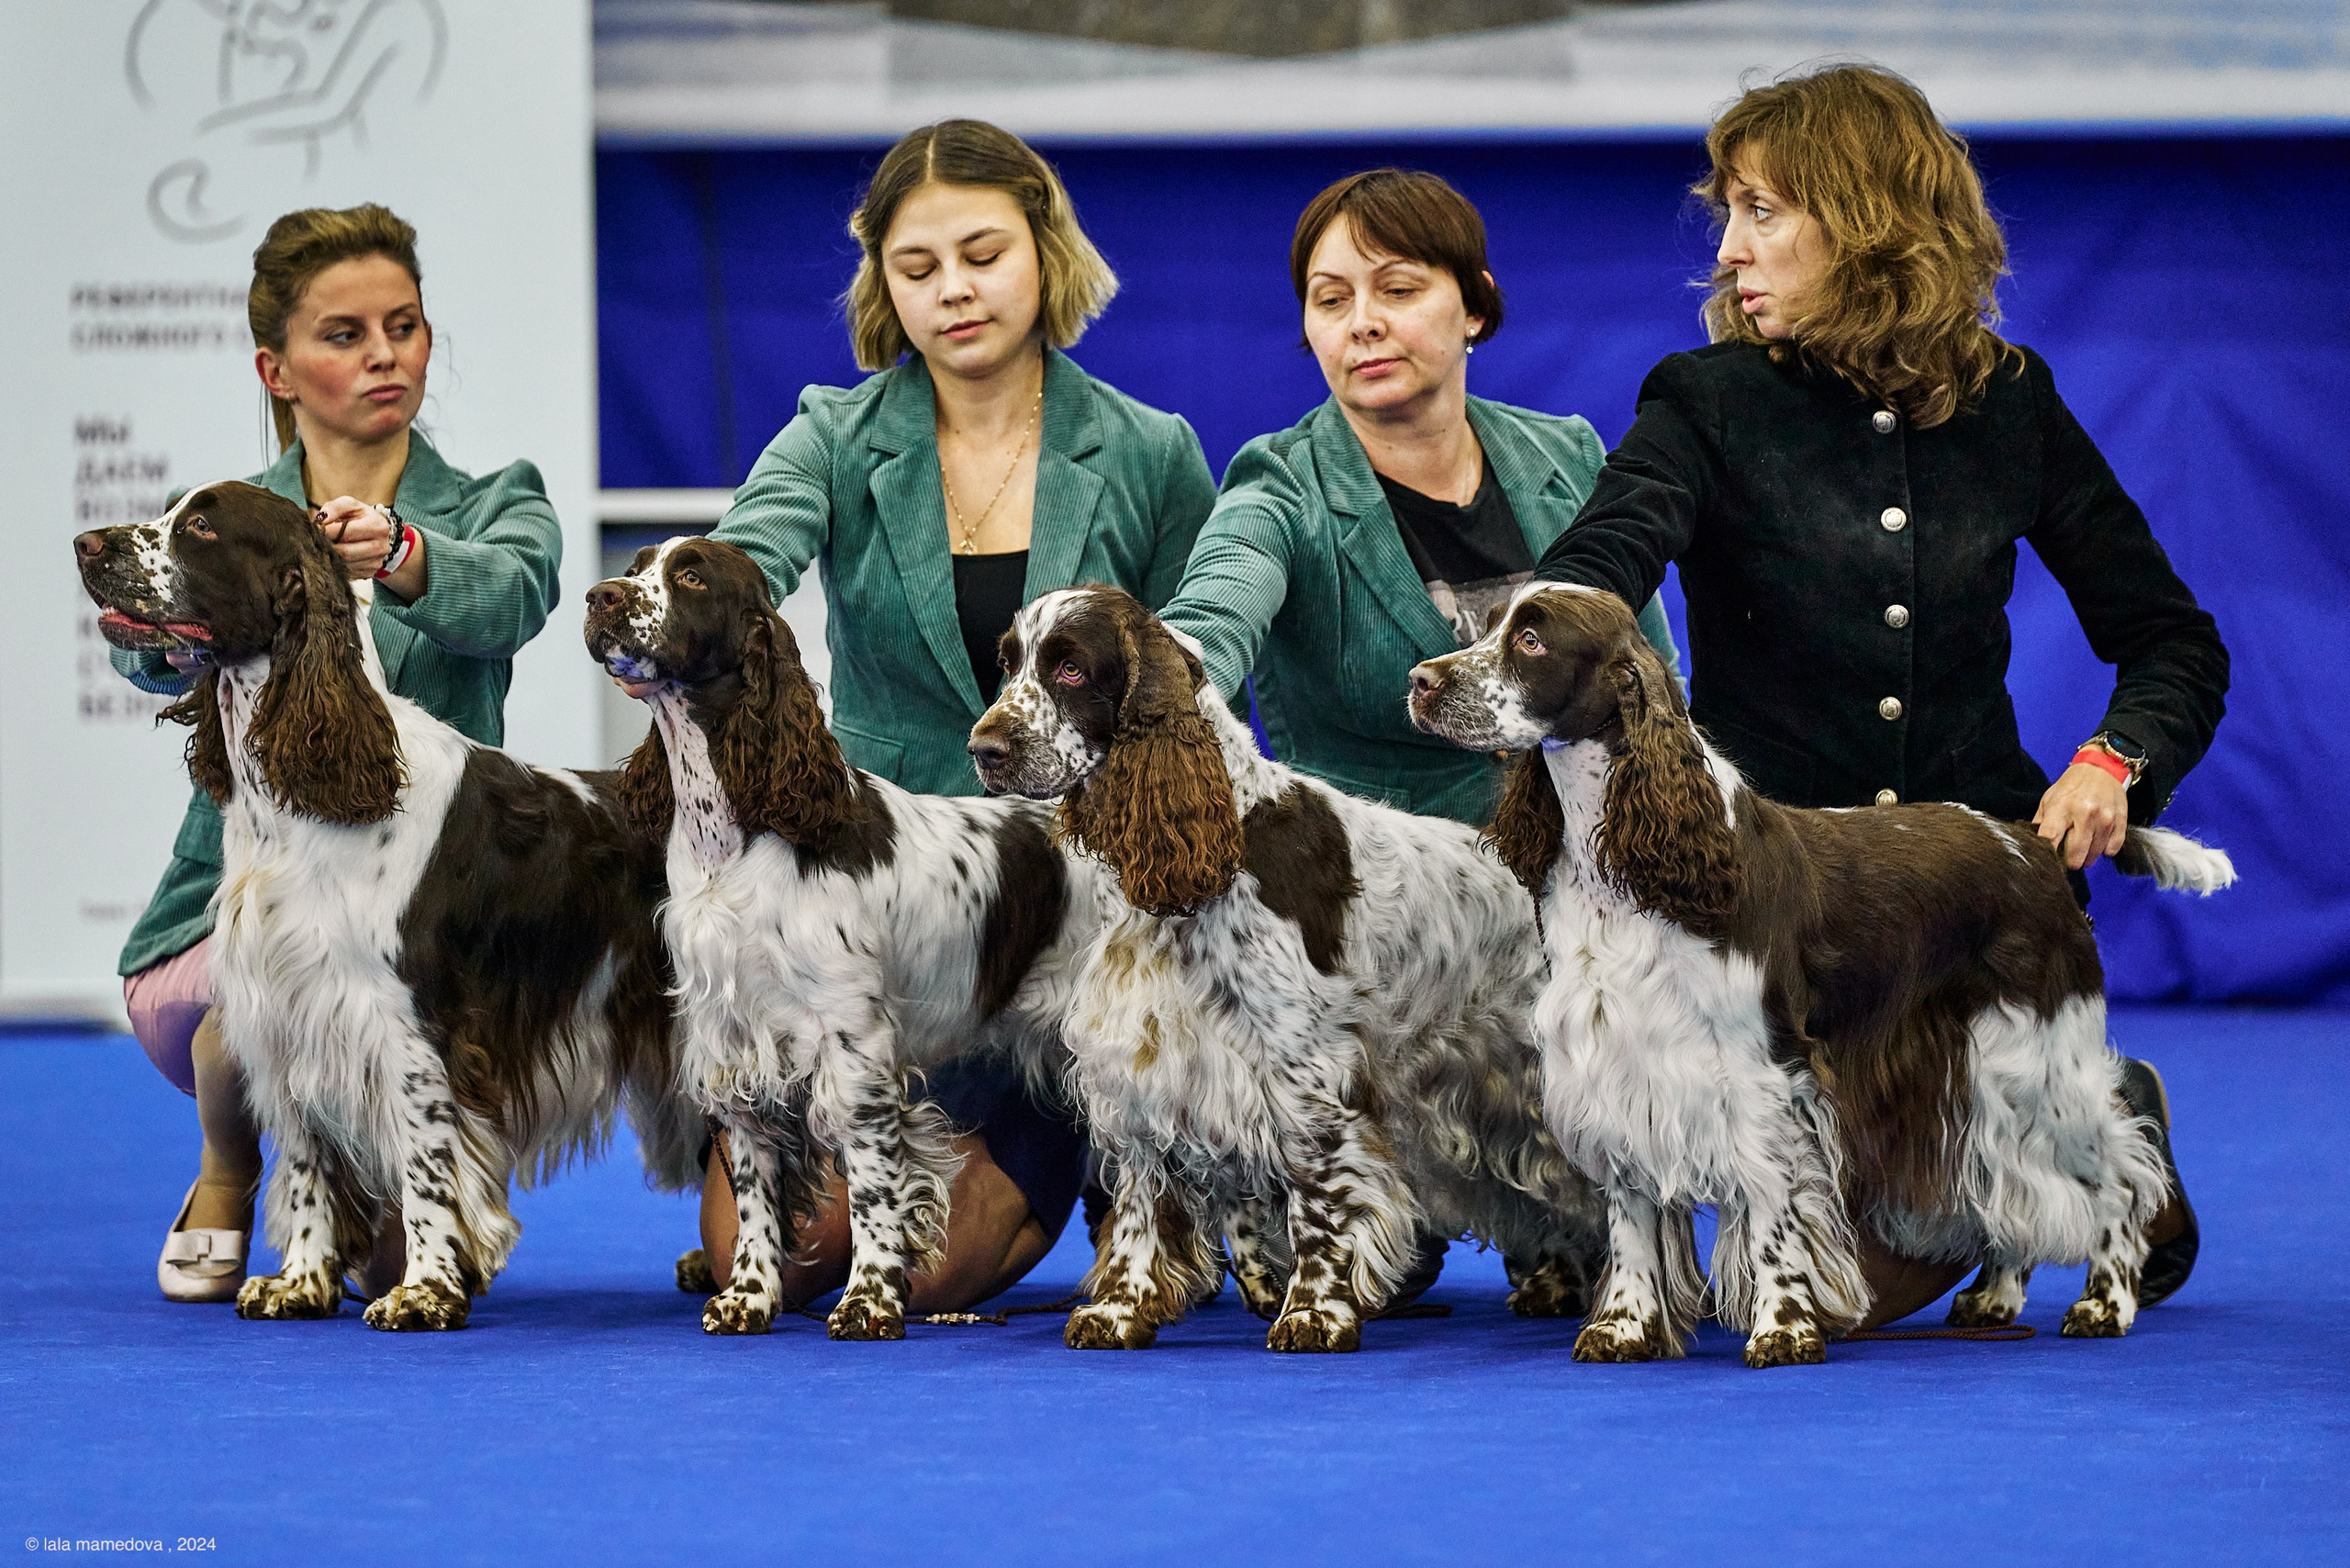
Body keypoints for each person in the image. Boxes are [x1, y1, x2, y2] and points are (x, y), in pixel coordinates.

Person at [1528, 63, 2223, 1306]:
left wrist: (2115, 762)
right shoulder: (1704, 401)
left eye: (1764, 212)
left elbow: (2174, 644)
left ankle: (2085, 1110)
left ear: (1868, 222)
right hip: (1782, 935)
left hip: (1960, 938)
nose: (1730, 251)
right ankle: (2045, 1128)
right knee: (1766, 1292)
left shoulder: (2014, 404)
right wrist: (1551, 625)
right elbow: (1609, 550)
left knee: (1824, 1293)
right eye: (1729, 214)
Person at [629, 119, 1216, 1311]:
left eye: (983, 253)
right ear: (883, 285)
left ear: (1045, 253)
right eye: (918, 266)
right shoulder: (834, 435)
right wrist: (673, 613)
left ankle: (1130, 1169)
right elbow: (746, 558)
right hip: (878, 931)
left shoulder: (1153, 454)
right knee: (795, 1265)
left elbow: (1198, 699)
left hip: (1060, 922)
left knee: (933, 1275)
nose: (953, 289)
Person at [1157, 169, 1682, 1303]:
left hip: (1565, 885)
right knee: (1347, 1269)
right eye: (1330, 298)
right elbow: (1220, 596)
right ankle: (1416, 1173)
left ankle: (1562, 1186)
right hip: (1381, 932)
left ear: (1474, 306)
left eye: (1396, 288)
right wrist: (1175, 663)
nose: (1363, 323)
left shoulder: (1571, 460)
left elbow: (1654, 686)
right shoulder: (1278, 483)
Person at [117, 204, 564, 1303]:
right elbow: (150, 669)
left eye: (402, 327)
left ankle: (380, 1195)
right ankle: (229, 1165)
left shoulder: (494, 498)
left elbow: (516, 591)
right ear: (276, 367)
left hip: (425, 906)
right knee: (246, 1010)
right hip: (258, 901)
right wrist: (171, 632)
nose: (383, 356)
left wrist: (405, 551)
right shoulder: (224, 516)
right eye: (344, 335)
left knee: (394, 1272)